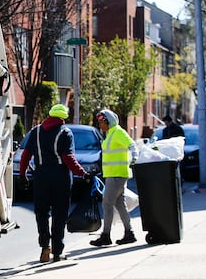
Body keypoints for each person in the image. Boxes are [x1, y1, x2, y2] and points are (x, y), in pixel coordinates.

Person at [18, 104, 91, 263]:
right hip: (60, 178)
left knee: (42, 213)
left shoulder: (36, 131)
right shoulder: (65, 132)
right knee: (59, 214)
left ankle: (45, 247)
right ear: (63, 118)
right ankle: (57, 252)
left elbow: (26, 155)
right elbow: (68, 159)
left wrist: (23, 174)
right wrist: (83, 173)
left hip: (40, 177)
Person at [90, 109, 139, 247]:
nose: (100, 125)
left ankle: (105, 235)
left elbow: (132, 144)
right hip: (114, 174)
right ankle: (129, 233)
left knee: (107, 204)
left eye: (101, 122)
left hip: (116, 174)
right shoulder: (110, 133)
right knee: (119, 204)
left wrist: (135, 157)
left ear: (108, 121)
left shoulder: (118, 132)